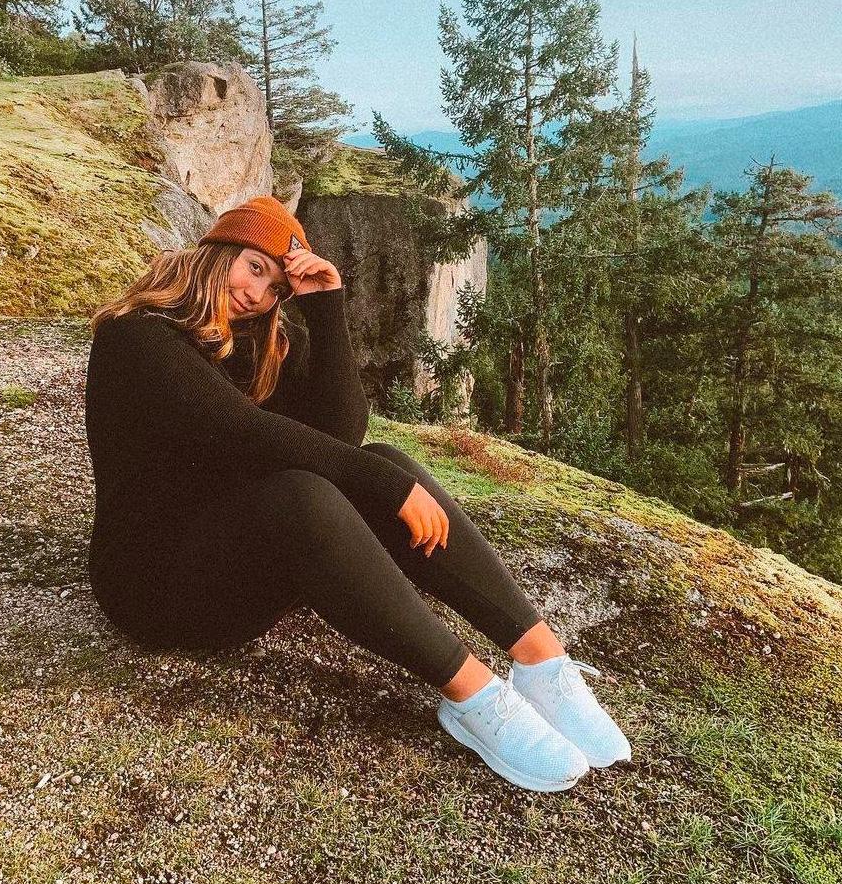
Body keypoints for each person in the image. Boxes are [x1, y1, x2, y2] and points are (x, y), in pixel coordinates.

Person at [83, 195, 632, 793]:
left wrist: (327, 308)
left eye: (275, 287)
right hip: (157, 587)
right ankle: (476, 699)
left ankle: (542, 662)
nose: (256, 293)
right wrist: (386, 487)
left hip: (240, 559)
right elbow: (238, 429)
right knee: (315, 492)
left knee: (385, 458)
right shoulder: (136, 339)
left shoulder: (258, 342)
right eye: (253, 266)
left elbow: (341, 433)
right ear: (216, 253)